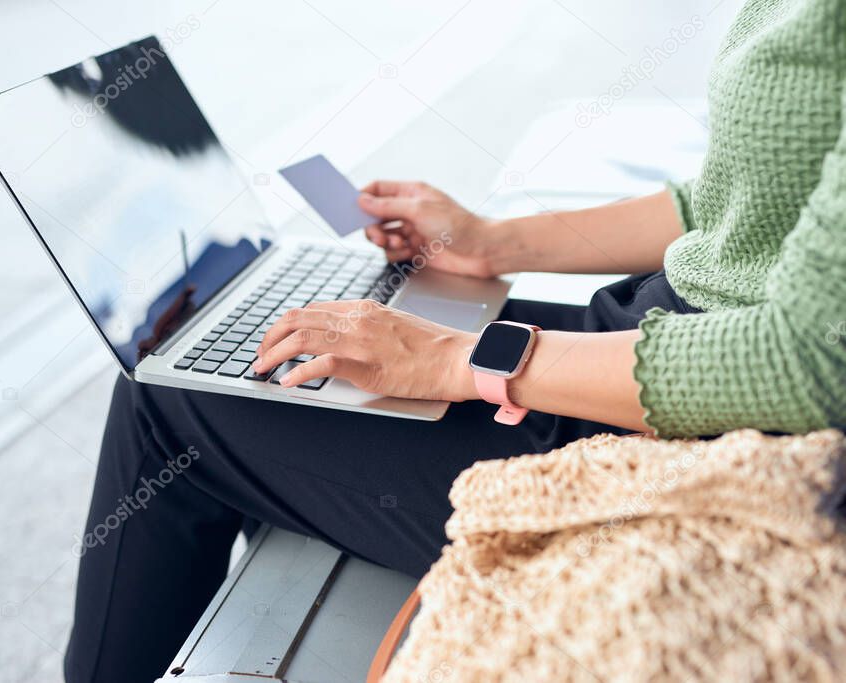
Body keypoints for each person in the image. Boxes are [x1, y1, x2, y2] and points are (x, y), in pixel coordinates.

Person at [64, 1, 846, 680]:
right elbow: (733, 206)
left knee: (167, 398)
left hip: (716, 425)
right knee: (280, 343)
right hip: (664, 335)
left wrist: (452, 358)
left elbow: (805, 360)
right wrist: (491, 243)